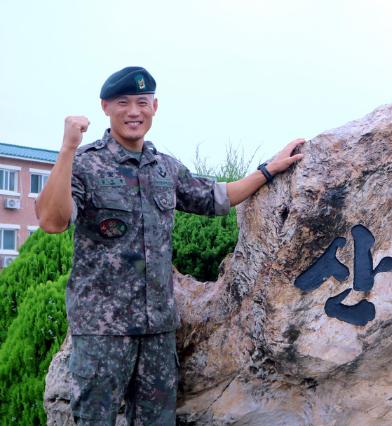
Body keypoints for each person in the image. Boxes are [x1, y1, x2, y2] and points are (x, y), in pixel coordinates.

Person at [35, 66, 304, 425]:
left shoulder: (164, 168)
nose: (134, 112)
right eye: (124, 103)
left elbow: (216, 197)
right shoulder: (85, 164)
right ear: (105, 107)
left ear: (154, 107)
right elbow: (52, 221)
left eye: (142, 102)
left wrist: (269, 169)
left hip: (158, 332)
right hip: (103, 333)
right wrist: (68, 148)